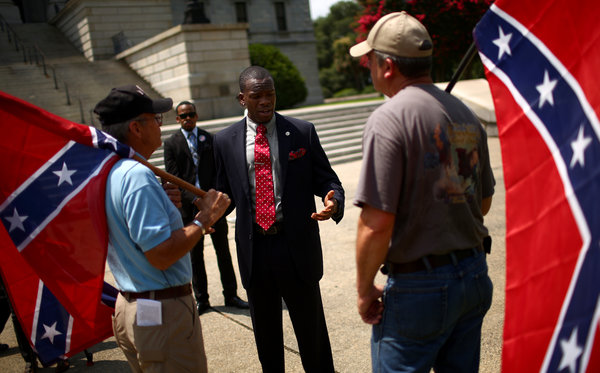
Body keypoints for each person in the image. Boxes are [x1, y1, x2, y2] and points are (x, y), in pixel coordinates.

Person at [349, 12, 495, 373]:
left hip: (420, 287)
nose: (368, 67)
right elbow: (484, 201)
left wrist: (365, 289)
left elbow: (376, 223)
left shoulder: (389, 118)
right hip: (474, 274)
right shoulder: (465, 115)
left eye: (370, 59)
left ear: (387, 67)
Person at [213, 66, 345, 372]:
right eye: (256, 95)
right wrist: (205, 212)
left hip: (296, 246)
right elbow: (222, 194)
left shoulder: (301, 132)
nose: (265, 101)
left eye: (269, 94)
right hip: (255, 251)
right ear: (241, 98)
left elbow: (328, 181)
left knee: (313, 339)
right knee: (268, 343)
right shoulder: (224, 141)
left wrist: (332, 201)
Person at [93, 85, 230, 372]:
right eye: (155, 119)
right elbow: (160, 255)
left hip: (136, 304)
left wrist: (164, 206)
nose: (160, 125)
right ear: (136, 128)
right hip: (161, 311)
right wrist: (204, 219)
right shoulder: (137, 176)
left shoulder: (112, 169)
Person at [163, 101, 249, 314]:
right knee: (195, 256)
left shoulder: (210, 139)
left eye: (191, 114)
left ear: (197, 115)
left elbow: (220, 172)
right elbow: (173, 178)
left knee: (223, 252)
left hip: (214, 207)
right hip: (190, 209)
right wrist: (196, 199)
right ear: (177, 119)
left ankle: (231, 294)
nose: (187, 118)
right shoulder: (171, 144)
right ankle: (202, 300)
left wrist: (213, 201)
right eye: (183, 116)